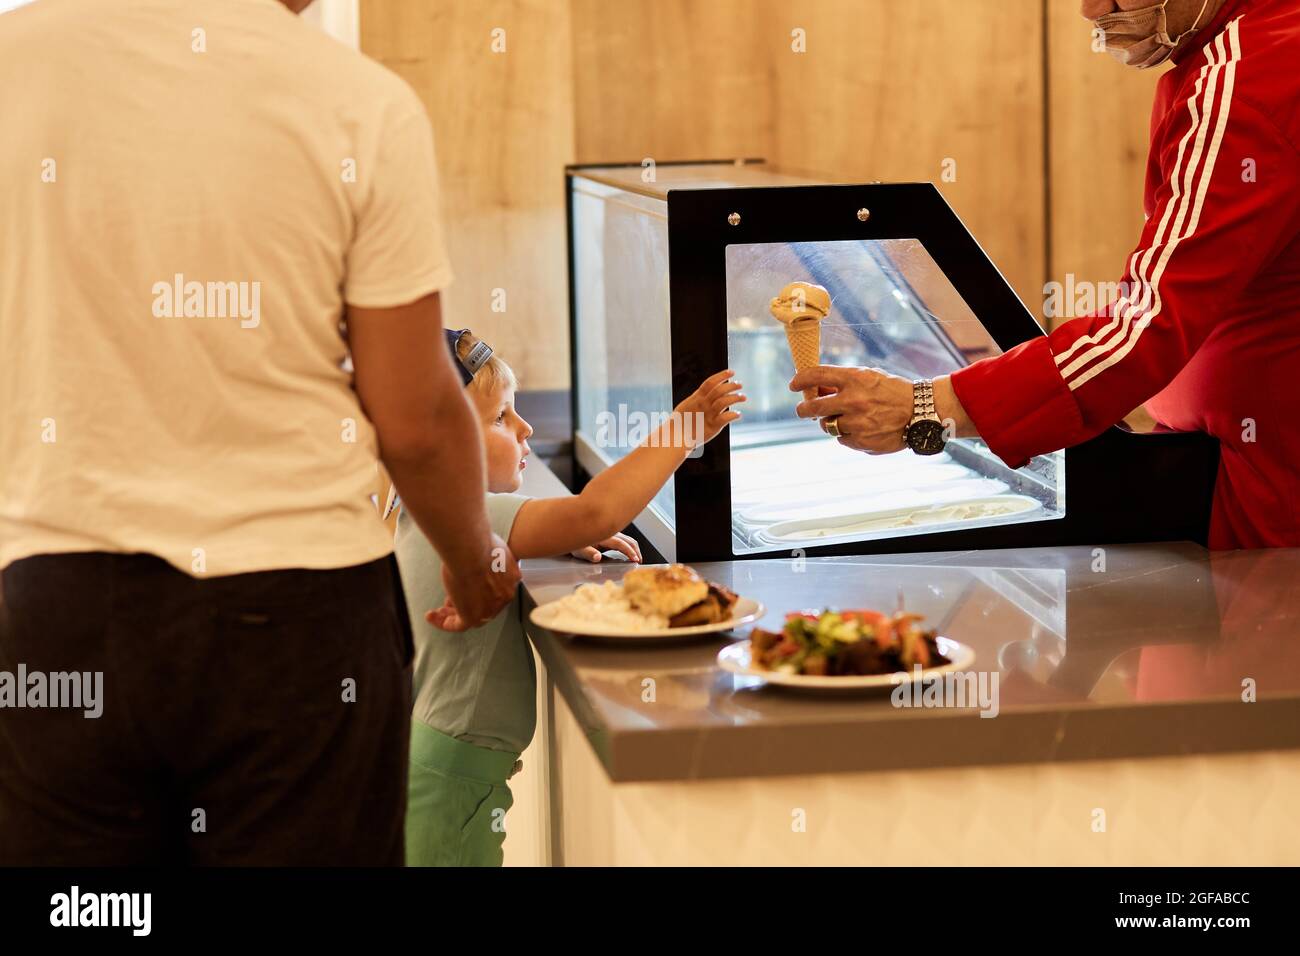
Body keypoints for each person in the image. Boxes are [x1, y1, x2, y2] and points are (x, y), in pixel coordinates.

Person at [0, 0, 517, 865]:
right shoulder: (358, 102)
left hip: (57, 608)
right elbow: (418, 417)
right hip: (298, 627)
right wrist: (474, 564)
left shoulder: (16, 56)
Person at [791, 0, 1300, 549]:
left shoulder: (1245, 77)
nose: (1091, 10)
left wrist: (924, 407)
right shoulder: (1249, 49)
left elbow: (1147, 325)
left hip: (1276, 486)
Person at [397, 330, 743, 866]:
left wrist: (551, 530)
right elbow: (594, 512)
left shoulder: (428, 507)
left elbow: (562, 524)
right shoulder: (461, 511)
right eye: (500, 418)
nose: (525, 427)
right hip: (452, 779)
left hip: (441, 763)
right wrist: (687, 427)